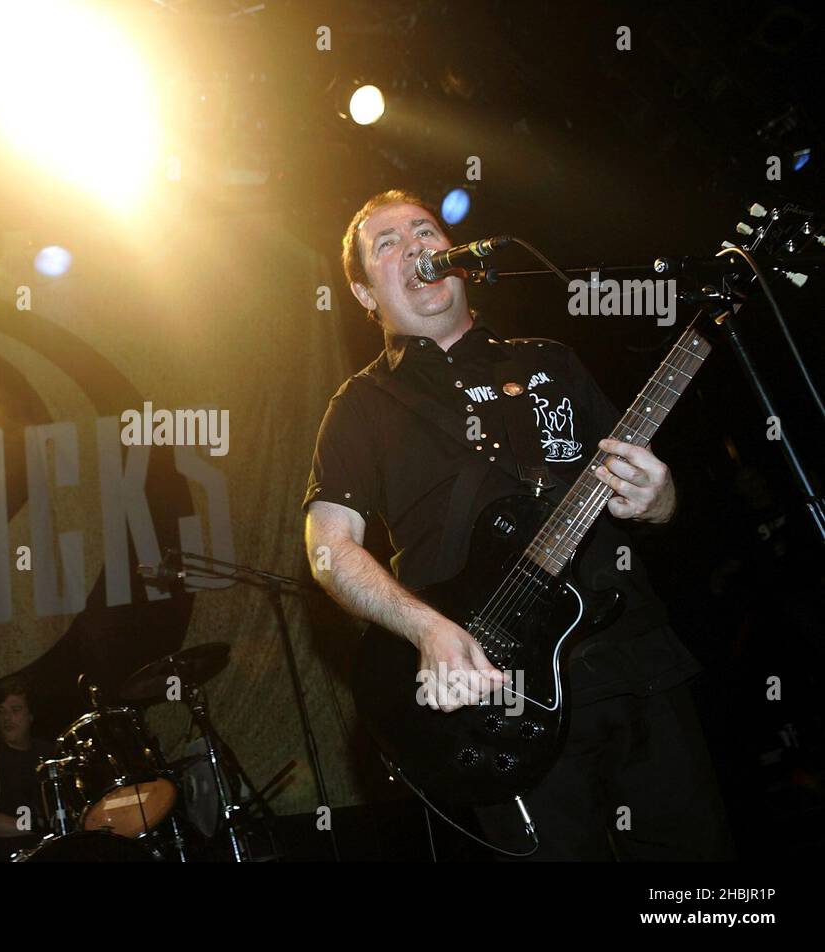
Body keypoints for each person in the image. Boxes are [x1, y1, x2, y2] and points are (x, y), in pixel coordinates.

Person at [303, 188, 732, 860]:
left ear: (458, 256)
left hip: (634, 661)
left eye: (425, 230)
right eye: (388, 243)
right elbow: (328, 549)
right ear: (362, 294)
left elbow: (653, 500)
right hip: (501, 701)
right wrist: (428, 630)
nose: (415, 245)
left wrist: (661, 499)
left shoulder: (550, 361)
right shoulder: (360, 407)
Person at [0, 677, 57, 861]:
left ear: (31, 715)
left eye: (15, 710)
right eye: (1, 712)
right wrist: (37, 827)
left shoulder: (48, 751)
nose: (7, 719)